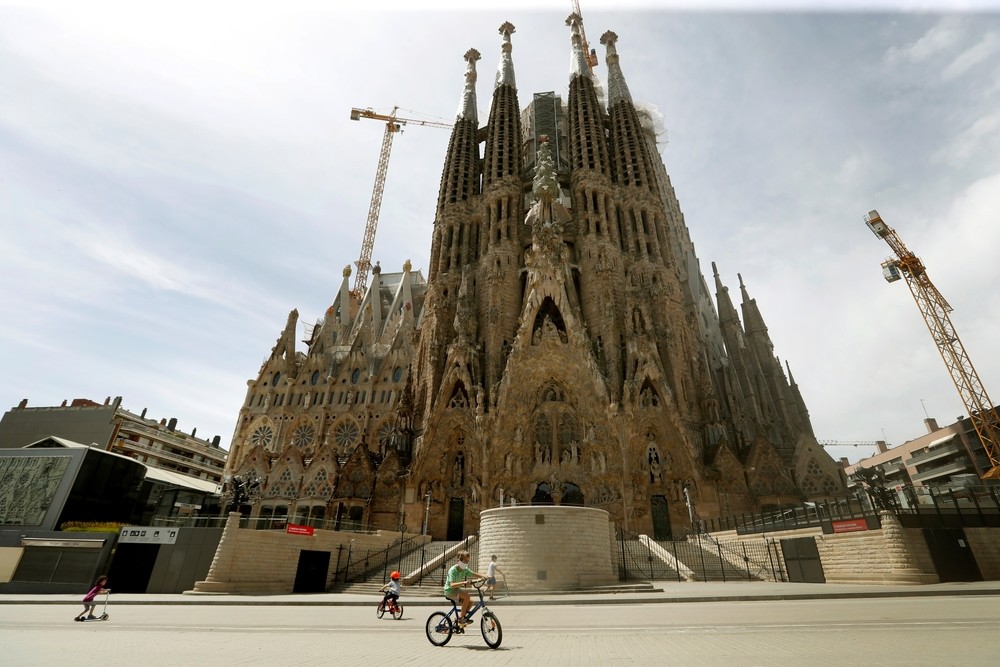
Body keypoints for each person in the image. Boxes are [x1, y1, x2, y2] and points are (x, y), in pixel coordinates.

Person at [443, 550, 485, 627]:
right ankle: (461, 619)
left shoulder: (464, 570)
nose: (466, 563)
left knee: (471, 601)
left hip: (456, 590)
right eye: (465, 561)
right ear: (459, 560)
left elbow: (473, 574)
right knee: (467, 597)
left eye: (467, 561)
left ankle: (461, 618)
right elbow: (452, 585)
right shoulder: (452, 570)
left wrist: (484, 576)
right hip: (449, 591)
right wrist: (464, 583)